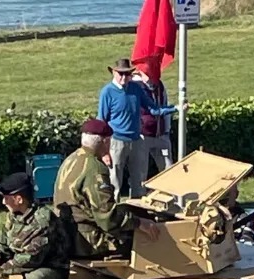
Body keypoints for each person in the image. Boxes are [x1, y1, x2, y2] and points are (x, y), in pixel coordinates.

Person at [54, 118, 159, 259]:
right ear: (105, 141)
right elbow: (107, 218)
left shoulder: (71, 160)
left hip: (66, 235)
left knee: (127, 211)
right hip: (86, 242)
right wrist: (140, 223)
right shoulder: (95, 168)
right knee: (140, 231)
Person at [98, 57, 176, 199]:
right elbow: (101, 121)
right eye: (121, 74)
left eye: (127, 74)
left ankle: (137, 213)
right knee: (114, 181)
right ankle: (112, 213)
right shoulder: (107, 92)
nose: (124, 77)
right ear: (113, 73)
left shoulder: (136, 89)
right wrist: (104, 151)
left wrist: (174, 108)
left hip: (137, 140)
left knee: (139, 181)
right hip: (116, 141)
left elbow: (153, 109)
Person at [133, 58, 172, 178]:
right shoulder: (134, 87)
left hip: (161, 134)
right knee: (140, 172)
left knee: (168, 170)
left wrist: (166, 129)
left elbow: (164, 103)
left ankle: (170, 195)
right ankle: (138, 196)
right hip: (143, 136)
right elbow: (151, 110)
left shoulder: (159, 85)